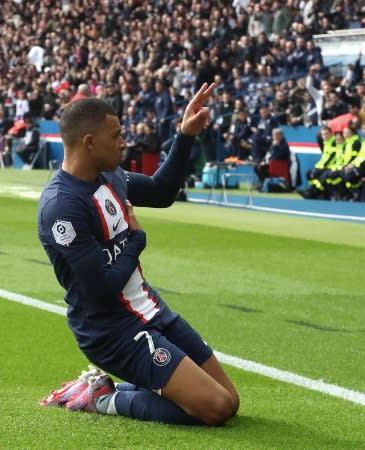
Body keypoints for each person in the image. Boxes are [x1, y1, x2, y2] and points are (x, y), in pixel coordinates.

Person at [37, 83, 239, 426]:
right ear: (89, 142)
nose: (124, 141)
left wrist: (185, 135)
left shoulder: (112, 176)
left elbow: (162, 192)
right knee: (214, 409)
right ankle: (100, 400)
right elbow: (101, 287)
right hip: (112, 330)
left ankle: (126, 388)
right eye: (116, 135)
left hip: (152, 309)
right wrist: (135, 239)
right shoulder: (62, 208)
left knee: (229, 401)